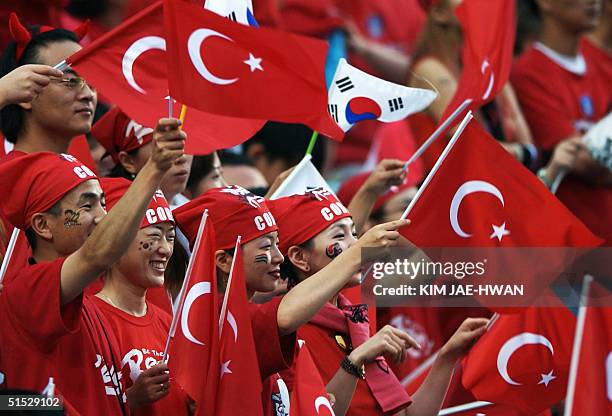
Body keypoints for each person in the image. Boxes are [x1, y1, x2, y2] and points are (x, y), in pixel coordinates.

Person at [0, 117, 185, 414]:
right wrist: (153, 169)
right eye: (87, 206)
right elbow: (96, 255)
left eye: (103, 203)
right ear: (43, 225)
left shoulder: (88, 307)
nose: (102, 217)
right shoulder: (27, 290)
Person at [172, 185, 411, 413]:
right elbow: (284, 317)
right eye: (266, 246)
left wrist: (447, 356)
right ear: (224, 260)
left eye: (277, 244)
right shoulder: (222, 317)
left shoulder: (345, 319)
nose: (278, 257)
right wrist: (359, 253)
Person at [268, 190, 489, 416]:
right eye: (339, 237)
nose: (357, 245)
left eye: (355, 234)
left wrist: (448, 357)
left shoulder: (354, 319)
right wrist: (354, 362)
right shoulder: (283, 334)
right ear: (299, 258)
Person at [511, 0, 612, 244]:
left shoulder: (603, 66)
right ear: (544, 3)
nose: (594, 1)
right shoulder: (528, 73)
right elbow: (585, 163)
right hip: (573, 250)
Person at [94, 177, 189, 415]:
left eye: (170, 237)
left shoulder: (169, 324)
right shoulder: (89, 320)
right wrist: (131, 400)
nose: (166, 249)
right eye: (155, 235)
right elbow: (66, 404)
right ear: (116, 241)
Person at [408, 0, 536, 172]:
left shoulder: (484, 66)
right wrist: (523, 153)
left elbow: (526, 141)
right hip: (453, 191)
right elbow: (470, 140)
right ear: (440, 13)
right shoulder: (428, 69)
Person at [0, 14, 92, 155]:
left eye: (91, 82)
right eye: (71, 81)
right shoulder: (14, 173)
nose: (88, 94)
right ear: (25, 96)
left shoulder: (79, 173)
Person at [91, 106, 194, 206]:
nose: (182, 157)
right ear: (128, 161)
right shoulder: (110, 216)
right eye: (165, 147)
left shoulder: (199, 213)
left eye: (182, 143)